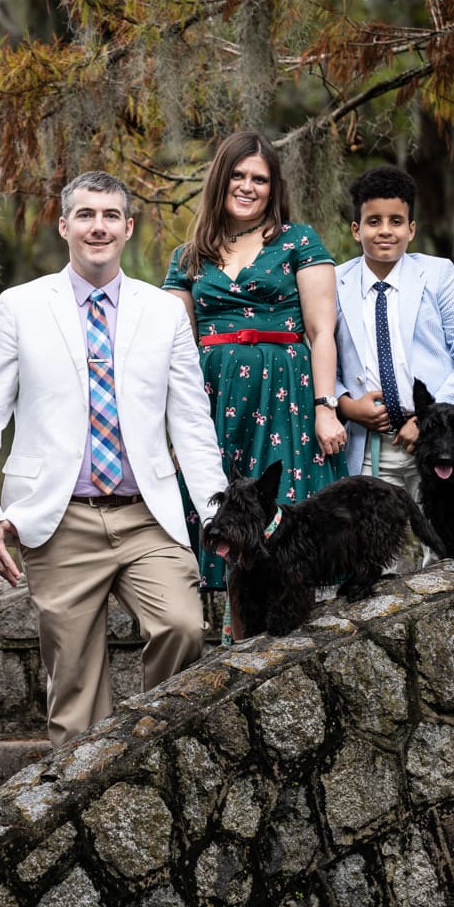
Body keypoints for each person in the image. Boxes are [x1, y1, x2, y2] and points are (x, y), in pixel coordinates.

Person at [0, 170, 227, 748]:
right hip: (59, 521)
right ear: (64, 226)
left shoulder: (162, 313)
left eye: (110, 216)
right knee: (75, 695)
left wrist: (215, 511)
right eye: (85, 215)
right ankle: (81, 806)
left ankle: (154, 752)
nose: (98, 226)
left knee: (183, 626)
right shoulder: (19, 308)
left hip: (147, 515)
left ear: (128, 227)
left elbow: (191, 423)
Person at [163, 129, 349, 594]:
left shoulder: (298, 241)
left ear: (274, 188)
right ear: (221, 180)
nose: (248, 186)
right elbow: (173, 346)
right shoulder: (186, 257)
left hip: (283, 395)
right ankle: (221, 620)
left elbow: (321, 330)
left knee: (281, 504)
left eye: (260, 179)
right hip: (212, 397)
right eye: (238, 175)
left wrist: (326, 406)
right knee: (214, 504)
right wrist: (169, 426)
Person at [334, 165, 454, 498]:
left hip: (441, 444)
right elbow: (321, 361)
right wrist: (347, 406)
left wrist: (430, 421)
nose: (385, 231)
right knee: (373, 545)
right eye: (373, 221)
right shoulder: (334, 284)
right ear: (356, 230)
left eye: (396, 221)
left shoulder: (438, 275)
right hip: (368, 445)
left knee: (451, 544)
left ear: (411, 229)